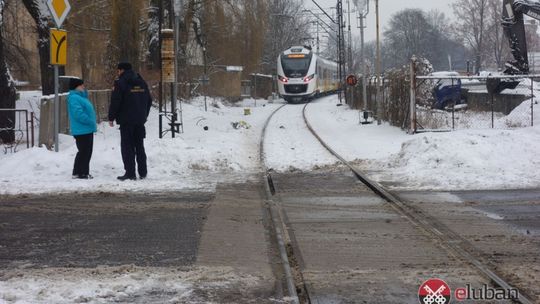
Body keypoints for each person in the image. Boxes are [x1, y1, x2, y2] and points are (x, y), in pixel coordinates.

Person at [108, 62, 152, 181]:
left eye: (118, 70)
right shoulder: (142, 82)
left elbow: (116, 101)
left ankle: (130, 173)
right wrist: (144, 115)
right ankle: (143, 172)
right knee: (139, 146)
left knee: (127, 147)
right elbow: (149, 100)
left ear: (121, 70)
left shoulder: (120, 83)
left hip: (126, 121)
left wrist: (111, 117)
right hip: (139, 120)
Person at [67, 78, 97, 179]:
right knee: (84, 151)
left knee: (87, 152)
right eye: (81, 85)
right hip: (81, 129)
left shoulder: (81, 97)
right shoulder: (74, 98)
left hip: (87, 129)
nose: (83, 87)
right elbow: (78, 113)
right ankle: (80, 173)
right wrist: (89, 120)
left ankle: (83, 172)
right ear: (76, 87)